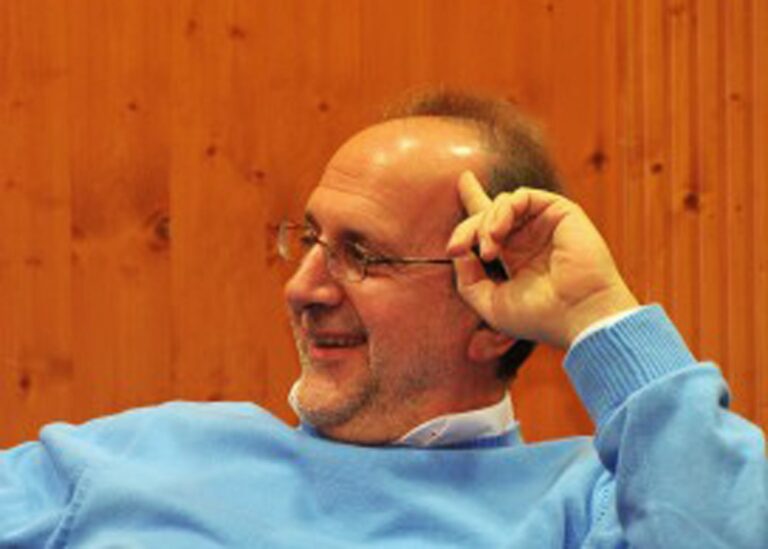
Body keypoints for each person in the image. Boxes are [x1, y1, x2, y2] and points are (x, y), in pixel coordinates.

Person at [1, 91, 766, 548]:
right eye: (309, 239)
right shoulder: (135, 458)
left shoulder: (586, 505)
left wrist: (600, 314)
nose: (303, 287)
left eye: (361, 256)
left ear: (492, 316)